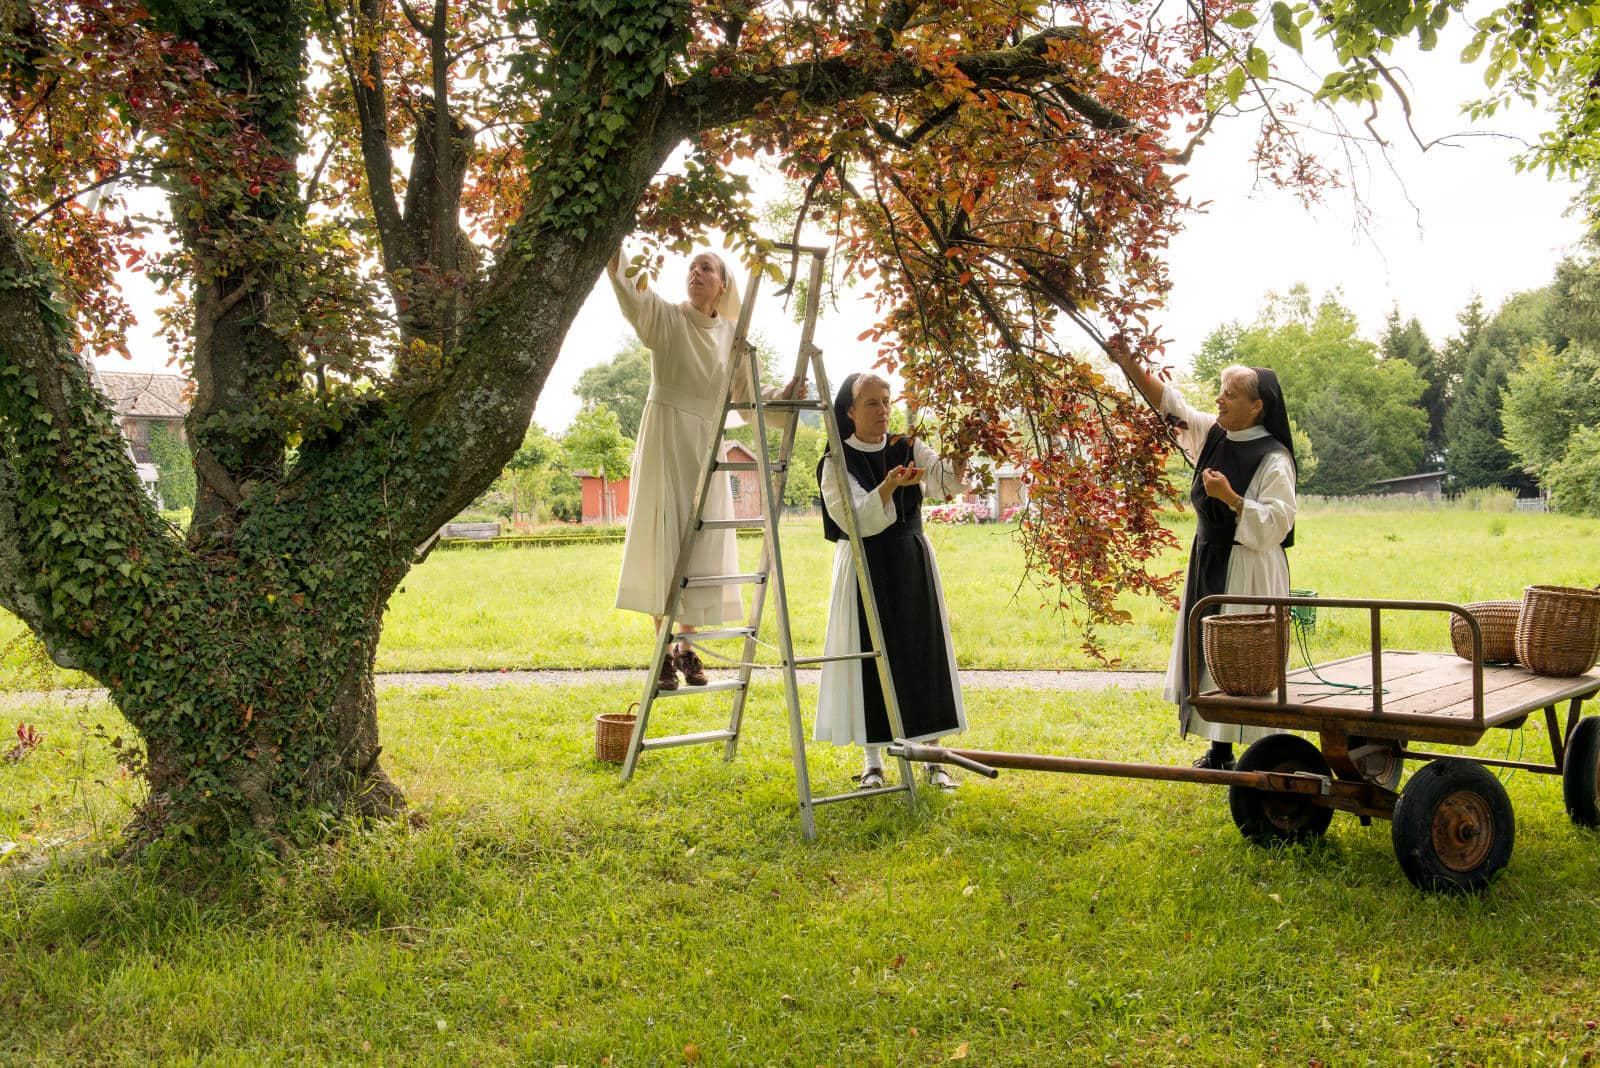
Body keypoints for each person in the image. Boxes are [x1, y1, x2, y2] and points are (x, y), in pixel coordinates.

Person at [607, 247, 801, 691]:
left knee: (701, 544)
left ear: (722, 285)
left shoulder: (733, 336)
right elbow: (633, 292)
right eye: (692, 267)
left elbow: (751, 395)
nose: (696, 272)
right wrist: (613, 248)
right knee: (664, 538)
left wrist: (787, 391)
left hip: (708, 446)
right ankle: (661, 655)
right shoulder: (667, 318)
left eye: (706, 267)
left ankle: (687, 650)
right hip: (665, 440)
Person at [1110, 357, 1298, 769]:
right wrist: (1129, 364)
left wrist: (1231, 498)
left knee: (1240, 658)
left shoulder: (1273, 458)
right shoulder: (1214, 434)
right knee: (1210, 653)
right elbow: (1172, 408)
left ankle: (1255, 751)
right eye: (1221, 391)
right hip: (1210, 558)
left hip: (1250, 567)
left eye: (1230, 395)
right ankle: (1220, 749)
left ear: (1256, 406)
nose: (1219, 400)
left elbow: (1277, 525)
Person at [814, 373, 969, 790]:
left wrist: (963, 451)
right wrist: (888, 484)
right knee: (870, 657)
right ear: (849, 410)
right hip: (865, 566)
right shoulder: (835, 461)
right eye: (871, 403)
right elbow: (854, 519)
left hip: (910, 559)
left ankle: (934, 759)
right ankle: (873, 763)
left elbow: (948, 483)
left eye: (886, 401)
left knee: (922, 652)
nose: (884, 411)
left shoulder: (908, 444)